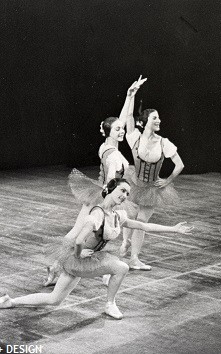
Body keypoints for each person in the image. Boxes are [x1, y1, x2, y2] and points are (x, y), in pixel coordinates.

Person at [0, 178, 193, 320]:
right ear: (110, 190)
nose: (125, 195)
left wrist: (174, 229)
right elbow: (79, 239)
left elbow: (143, 226)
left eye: (128, 193)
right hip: (80, 259)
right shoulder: (98, 214)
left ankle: (8, 302)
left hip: (86, 259)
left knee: (54, 300)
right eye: (122, 190)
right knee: (121, 267)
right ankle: (110, 304)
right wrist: (78, 253)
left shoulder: (118, 215)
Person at [43, 79, 147, 286]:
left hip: (97, 192)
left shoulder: (105, 146)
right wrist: (107, 206)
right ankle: (56, 265)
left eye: (121, 128)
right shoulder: (115, 156)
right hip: (102, 196)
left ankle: (57, 266)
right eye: (117, 129)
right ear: (109, 132)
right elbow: (111, 184)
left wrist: (130, 96)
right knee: (81, 232)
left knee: (80, 231)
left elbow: (118, 119)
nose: (121, 130)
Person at [120, 76, 185, 271]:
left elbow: (179, 164)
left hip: (152, 188)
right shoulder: (134, 138)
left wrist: (167, 182)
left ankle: (134, 258)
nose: (159, 120)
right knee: (130, 216)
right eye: (155, 117)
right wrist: (130, 95)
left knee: (142, 221)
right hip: (134, 181)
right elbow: (128, 117)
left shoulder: (164, 142)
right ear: (145, 121)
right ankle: (125, 241)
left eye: (158, 117)